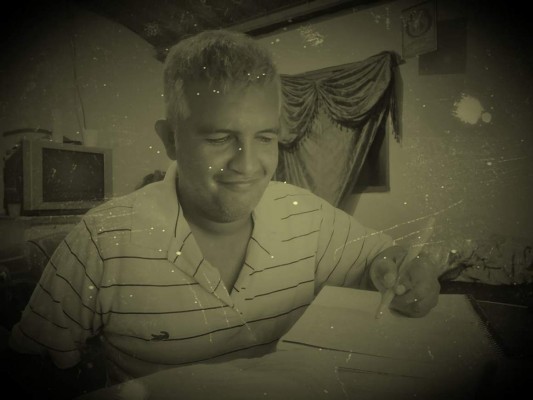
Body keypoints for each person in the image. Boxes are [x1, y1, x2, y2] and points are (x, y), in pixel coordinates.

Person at [3, 29, 440, 398]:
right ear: (171, 140)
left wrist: (402, 271)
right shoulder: (102, 240)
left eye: (265, 138)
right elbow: (32, 367)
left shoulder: (306, 214)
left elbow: (382, 260)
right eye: (219, 139)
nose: (248, 166)